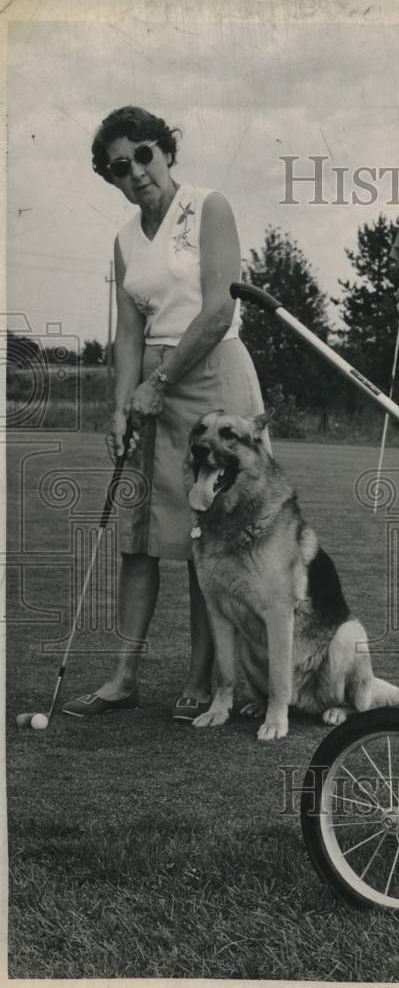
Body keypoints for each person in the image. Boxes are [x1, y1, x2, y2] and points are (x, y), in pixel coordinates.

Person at [62, 106, 270, 721]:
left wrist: (159, 382)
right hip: (151, 384)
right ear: (112, 177)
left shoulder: (211, 206)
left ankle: (202, 678)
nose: (137, 172)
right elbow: (127, 333)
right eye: (120, 167)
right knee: (139, 539)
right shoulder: (125, 239)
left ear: (166, 151)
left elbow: (217, 312)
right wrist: (122, 405)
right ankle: (123, 676)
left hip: (210, 374)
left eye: (145, 154)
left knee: (205, 538)